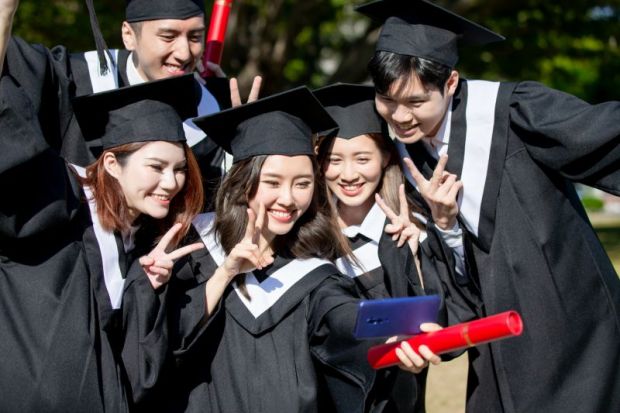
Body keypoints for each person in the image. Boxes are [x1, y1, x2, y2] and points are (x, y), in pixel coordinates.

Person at [356, 1, 620, 412]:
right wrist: (443, 225)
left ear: (450, 83)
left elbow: (604, 135)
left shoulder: (514, 114)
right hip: (497, 343)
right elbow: (454, 279)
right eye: (387, 100)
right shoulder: (405, 158)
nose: (400, 117)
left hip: (576, 332)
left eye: (415, 101)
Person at [135, 86, 435, 413]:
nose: (289, 199)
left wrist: (390, 340)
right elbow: (154, 347)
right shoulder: (189, 246)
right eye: (273, 182)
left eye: (303, 184)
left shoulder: (314, 271)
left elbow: (342, 319)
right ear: (243, 181)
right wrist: (226, 273)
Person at [0, 72, 204, 412]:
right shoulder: (59, 195)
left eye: (180, 169)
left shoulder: (140, 244)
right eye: (156, 166)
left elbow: (136, 375)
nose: (171, 183)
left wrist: (146, 287)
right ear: (111, 163)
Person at [314, 82, 477, 412]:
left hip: (398, 401)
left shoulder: (411, 233)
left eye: (362, 158)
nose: (348, 174)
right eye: (334, 160)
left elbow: (451, 311)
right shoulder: (309, 238)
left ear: (386, 156)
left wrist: (420, 253)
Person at [1, 0, 256, 204]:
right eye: (168, 37)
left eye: (195, 37)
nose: (184, 53)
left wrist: (247, 142)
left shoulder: (211, 112)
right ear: (128, 35)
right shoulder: (74, 78)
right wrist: (5, 11)